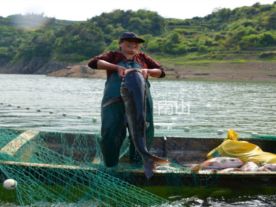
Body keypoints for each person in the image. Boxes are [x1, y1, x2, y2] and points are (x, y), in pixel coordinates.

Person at [88, 32, 166, 167]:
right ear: (120, 43)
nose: (133, 44)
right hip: (114, 100)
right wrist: (116, 67)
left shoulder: (143, 58)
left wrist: (148, 71)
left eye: (136, 42)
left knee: (143, 131)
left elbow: (161, 72)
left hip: (141, 100)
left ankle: (138, 165)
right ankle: (110, 165)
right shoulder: (112, 55)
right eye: (129, 41)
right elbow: (94, 63)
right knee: (111, 131)